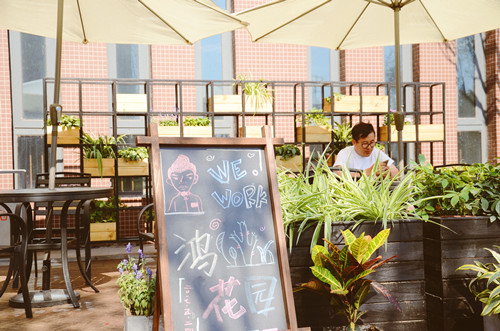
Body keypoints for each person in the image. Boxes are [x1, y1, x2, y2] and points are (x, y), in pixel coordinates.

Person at [333, 122, 399, 178]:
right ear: (354, 142)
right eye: (365, 144)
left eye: (372, 142)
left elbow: (396, 173)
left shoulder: (376, 152)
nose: (369, 147)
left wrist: (388, 174)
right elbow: (340, 174)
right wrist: (366, 173)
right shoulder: (345, 153)